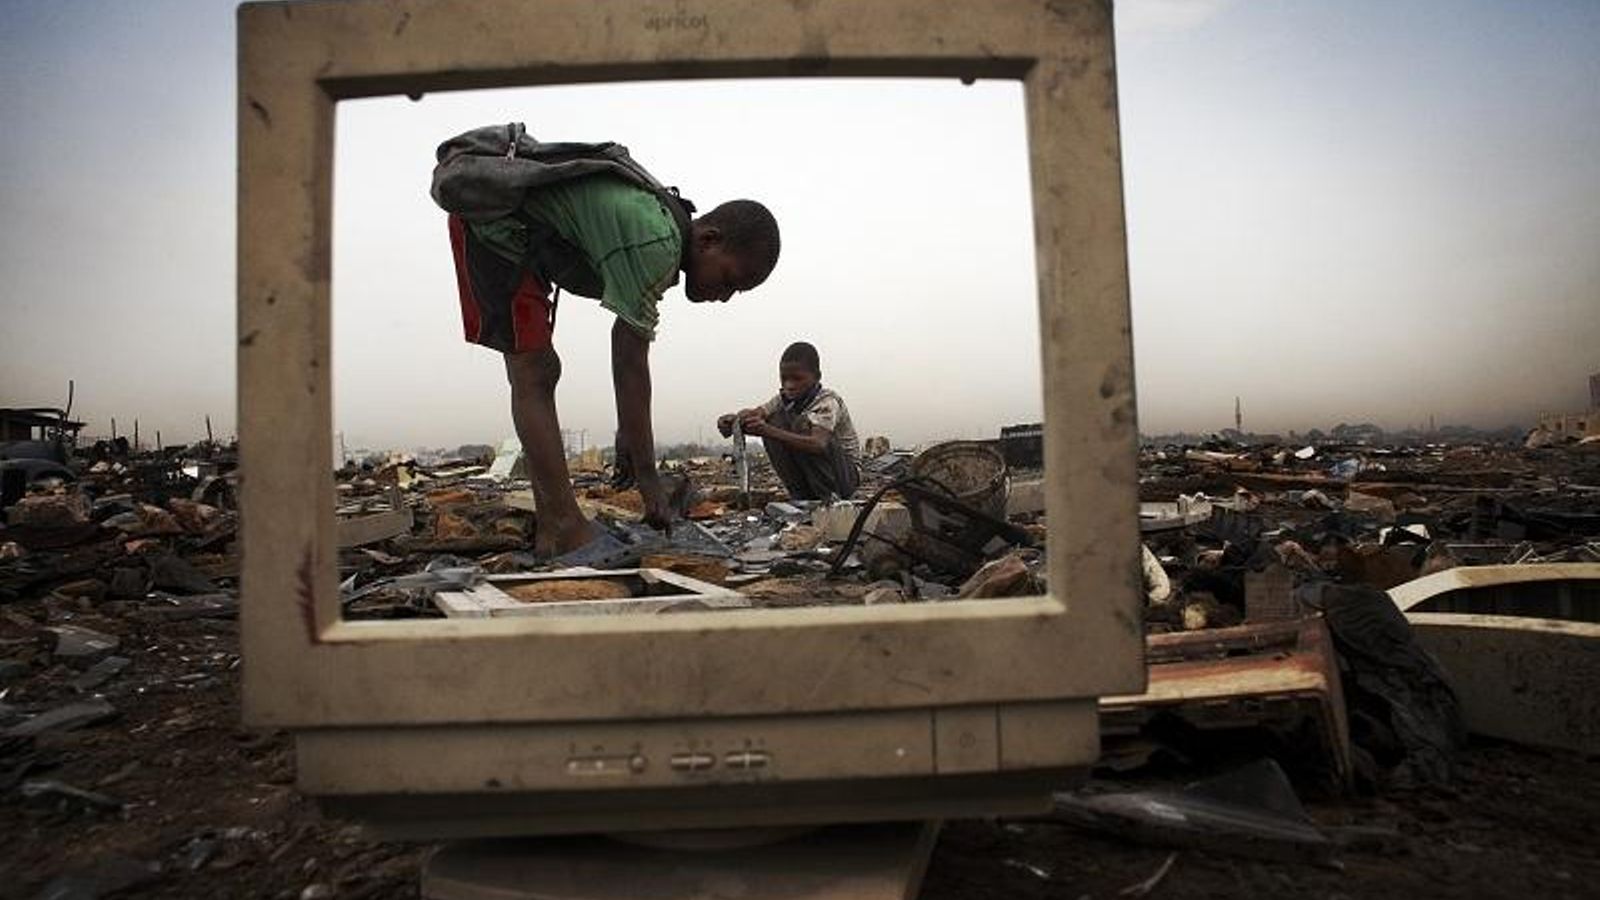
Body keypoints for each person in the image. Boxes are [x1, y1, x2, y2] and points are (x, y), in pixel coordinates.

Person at [449, 170, 780, 558]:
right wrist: (648, 479)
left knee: (539, 371)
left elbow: (628, 361)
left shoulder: (660, 230)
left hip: (518, 239)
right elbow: (629, 361)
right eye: (729, 280)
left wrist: (629, 430)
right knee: (534, 373)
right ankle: (561, 526)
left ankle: (555, 523)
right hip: (496, 229)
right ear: (709, 240)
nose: (724, 297)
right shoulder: (657, 242)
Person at [717, 342, 861, 501]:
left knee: (799, 426)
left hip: (845, 478)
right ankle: (801, 496)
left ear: (817, 377)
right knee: (774, 420)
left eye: (797, 379)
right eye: (784, 379)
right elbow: (757, 414)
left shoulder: (827, 401)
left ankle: (829, 497)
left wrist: (766, 430)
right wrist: (734, 421)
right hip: (814, 476)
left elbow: (818, 443)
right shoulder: (784, 398)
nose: (789, 385)